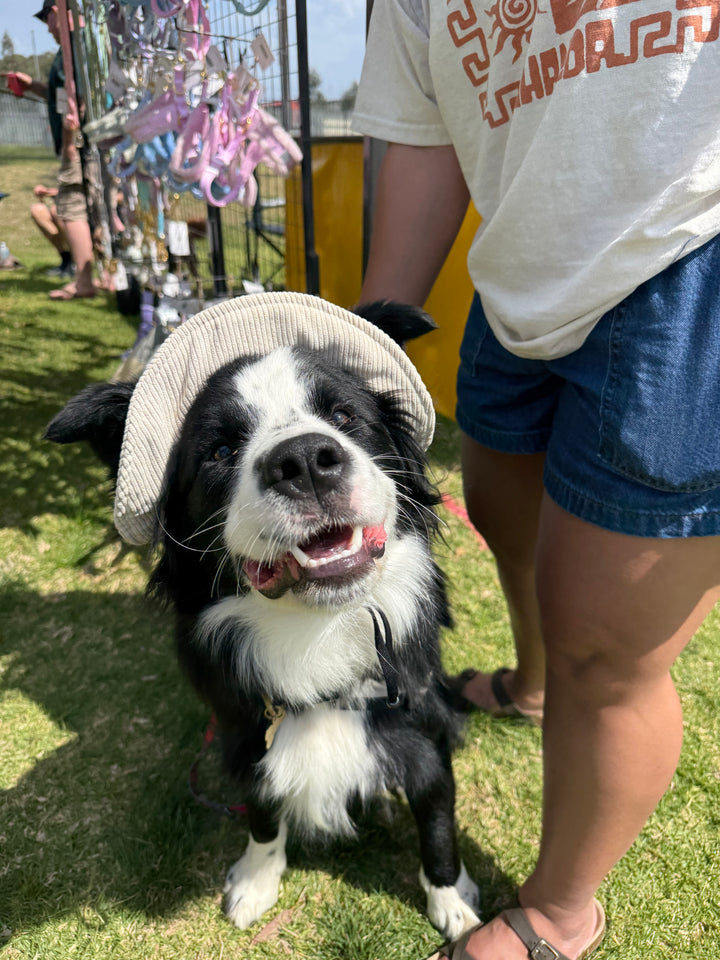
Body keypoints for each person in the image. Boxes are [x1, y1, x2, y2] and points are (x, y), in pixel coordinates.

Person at [353, 2, 720, 958]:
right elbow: (426, 131)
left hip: (689, 252)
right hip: (518, 273)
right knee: (500, 515)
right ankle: (534, 686)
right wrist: (366, 344)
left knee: (609, 643)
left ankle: (558, 913)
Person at [3, 0, 95, 299]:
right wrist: (31, 86)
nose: (47, 28)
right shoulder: (67, 51)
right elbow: (61, 96)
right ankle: (92, 273)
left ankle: (84, 281)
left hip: (78, 144)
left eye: (47, 19)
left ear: (57, 11)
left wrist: (70, 142)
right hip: (77, 142)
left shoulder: (78, 49)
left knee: (72, 207)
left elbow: (79, 101)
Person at [30, 183, 74, 278]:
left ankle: (76, 260)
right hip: (66, 202)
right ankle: (66, 258)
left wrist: (53, 192)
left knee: (56, 211)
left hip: (83, 207)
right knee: (37, 210)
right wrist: (46, 190)